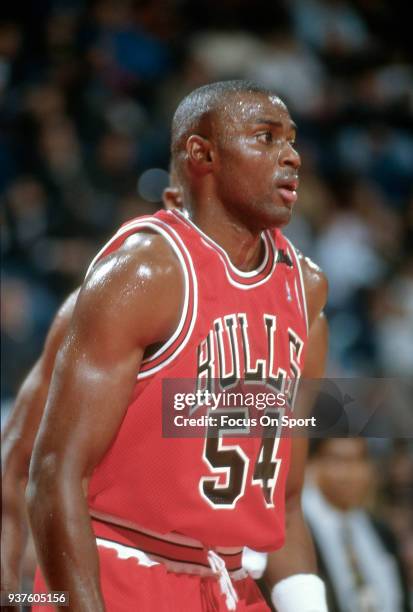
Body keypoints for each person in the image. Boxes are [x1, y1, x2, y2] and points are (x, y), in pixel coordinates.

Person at [27, 81, 329, 612]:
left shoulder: (305, 291)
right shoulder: (147, 272)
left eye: (292, 140)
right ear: (202, 154)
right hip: (124, 570)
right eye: (266, 137)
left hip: (229, 584)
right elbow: (53, 472)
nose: (292, 156)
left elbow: (285, 498)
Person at [1, 186, 183, 601]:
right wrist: (10, 586)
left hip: (216, 570)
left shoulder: (289, 296)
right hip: (117, 567)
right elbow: (19, 459)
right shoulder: (99, 306)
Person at [303, 438, 411, 612]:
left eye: (359, 460)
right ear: (313, 465)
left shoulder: (381, 531)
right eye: (338, 460)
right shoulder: (300, 532)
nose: (350, 473)